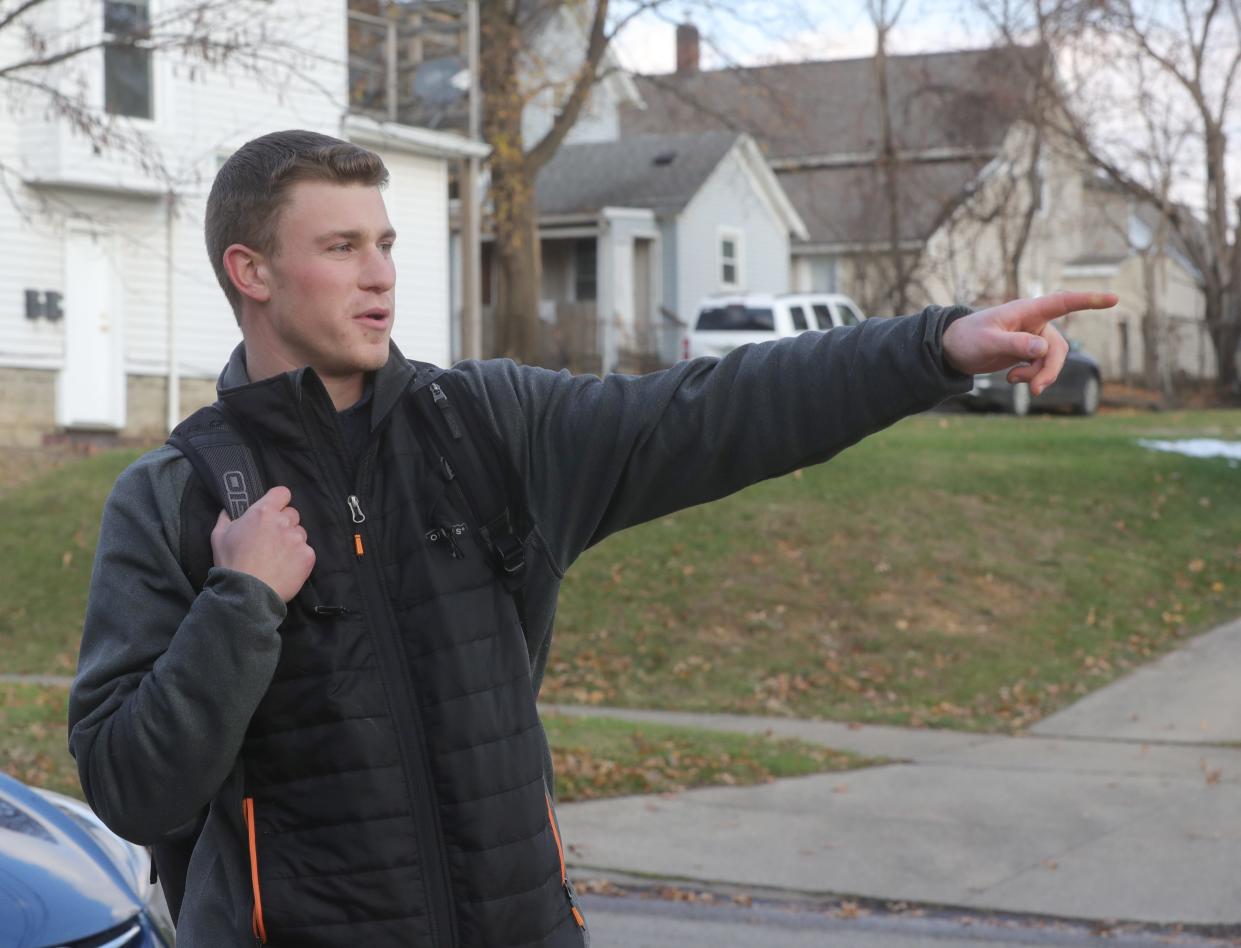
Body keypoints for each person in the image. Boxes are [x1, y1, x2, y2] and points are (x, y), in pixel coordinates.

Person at [68, 129, 1117, 948]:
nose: (381, 275)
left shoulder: (488, 427)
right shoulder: (177, 497)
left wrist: (933, 347)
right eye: (341, 248)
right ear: (250, 272)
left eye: (385, 243)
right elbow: (130, 785)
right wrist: (242, 601)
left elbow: (713, 410)